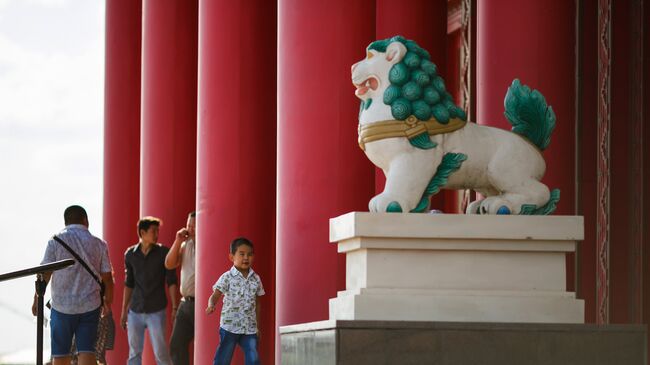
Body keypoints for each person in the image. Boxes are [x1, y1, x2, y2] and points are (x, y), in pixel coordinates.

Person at [32, 205, 114, 365]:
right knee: (87, 351)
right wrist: (108, 301)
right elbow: (107, 277)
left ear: (66, 221)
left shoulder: (55, 241)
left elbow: (44, 273)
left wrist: (37, 298)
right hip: (90, 306)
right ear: (85, 220)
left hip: (62, 306)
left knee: (61, 354)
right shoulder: (99, 244)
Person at [121, 216, 177, 365]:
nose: (157, 234)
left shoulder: (163, 252)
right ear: (142, 232)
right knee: (134, 354)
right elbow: (129, 283)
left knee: (160, 353)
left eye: (157, 231)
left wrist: (175, 306)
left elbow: (171, 280)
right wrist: (123, 311)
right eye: (153, 231)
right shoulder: (130, 254)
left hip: (156, 310)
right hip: (135, 311)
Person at [206, 237, 264, 365]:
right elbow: (215, 295)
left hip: (249, 328)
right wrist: (211, 305)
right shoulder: (226, 277)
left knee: (253, 357)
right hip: (229, 327)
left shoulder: (256, 279)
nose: (246, 258)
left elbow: (258, 304)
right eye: (241, 254)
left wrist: (258, 327)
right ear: (232, 257)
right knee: (223, 359)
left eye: (249, 255)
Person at [165, 212, 196, 365]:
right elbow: (169, 264)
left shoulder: (208, 243)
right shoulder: (184, 245)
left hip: (203, 304)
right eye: (189, 225)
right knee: (176, 345)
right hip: (186, 304)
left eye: (194, 226)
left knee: (204, 344)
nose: (190, 229)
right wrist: (178, 240)